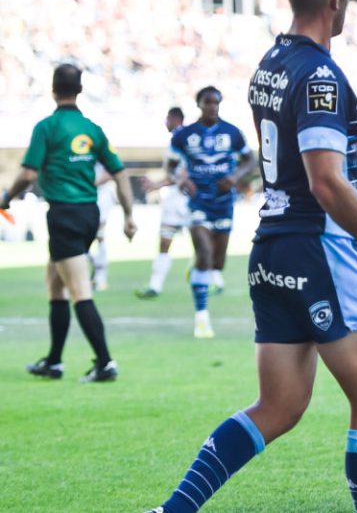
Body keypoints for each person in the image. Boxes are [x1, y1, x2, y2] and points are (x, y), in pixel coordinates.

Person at [145, 0, 357, 512]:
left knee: (277, 407)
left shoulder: (272, 63)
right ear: (336, 0)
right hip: (320, 249)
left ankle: (172, 511)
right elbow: (325, 181)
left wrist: (355, 125)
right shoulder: (321, 74)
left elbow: (298, 134)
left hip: (272, 250)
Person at [0, 63, 136, 382]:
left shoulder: (46, 127)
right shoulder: (92, 129)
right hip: (88, 213)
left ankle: (105, 363)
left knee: (79, 290)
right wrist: (129, 215)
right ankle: (54, 361)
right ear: (80, 90)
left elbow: (29, 174)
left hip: (64, 214)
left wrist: (6, 197)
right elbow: (119, 173)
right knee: (55, 282)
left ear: (52, 89)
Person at [170, 86, 256, 338]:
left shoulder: (232, 132)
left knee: (216, 264)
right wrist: (182, 180)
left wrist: (235, 175)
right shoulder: (184, 135)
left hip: (224, 202)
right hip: (198, 202)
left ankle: (197, 265)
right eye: (208, 102)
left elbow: (250, 160)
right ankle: (202, 318)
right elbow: (171, 166)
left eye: (216, 102)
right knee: (206, 256)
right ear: (199, 104)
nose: (212, 106)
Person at [135, 108, 192, 300]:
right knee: (201, 242)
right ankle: (214, 280)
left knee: (166, 242)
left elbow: (178, 175)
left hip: (179, 199)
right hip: (191, 198)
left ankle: (155, 285)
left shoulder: (180, 140)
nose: (165, 122)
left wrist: (156, 184)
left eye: (167, 118)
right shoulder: (191, 138)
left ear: (175, 119)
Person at [90, 162, 117, 290]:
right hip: (83, 196)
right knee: (84, 237)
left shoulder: (101, 146)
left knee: (99, 235)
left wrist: (89, 184)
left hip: (100, 196)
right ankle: (95, 266)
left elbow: (111, 172)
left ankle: (101, 276)